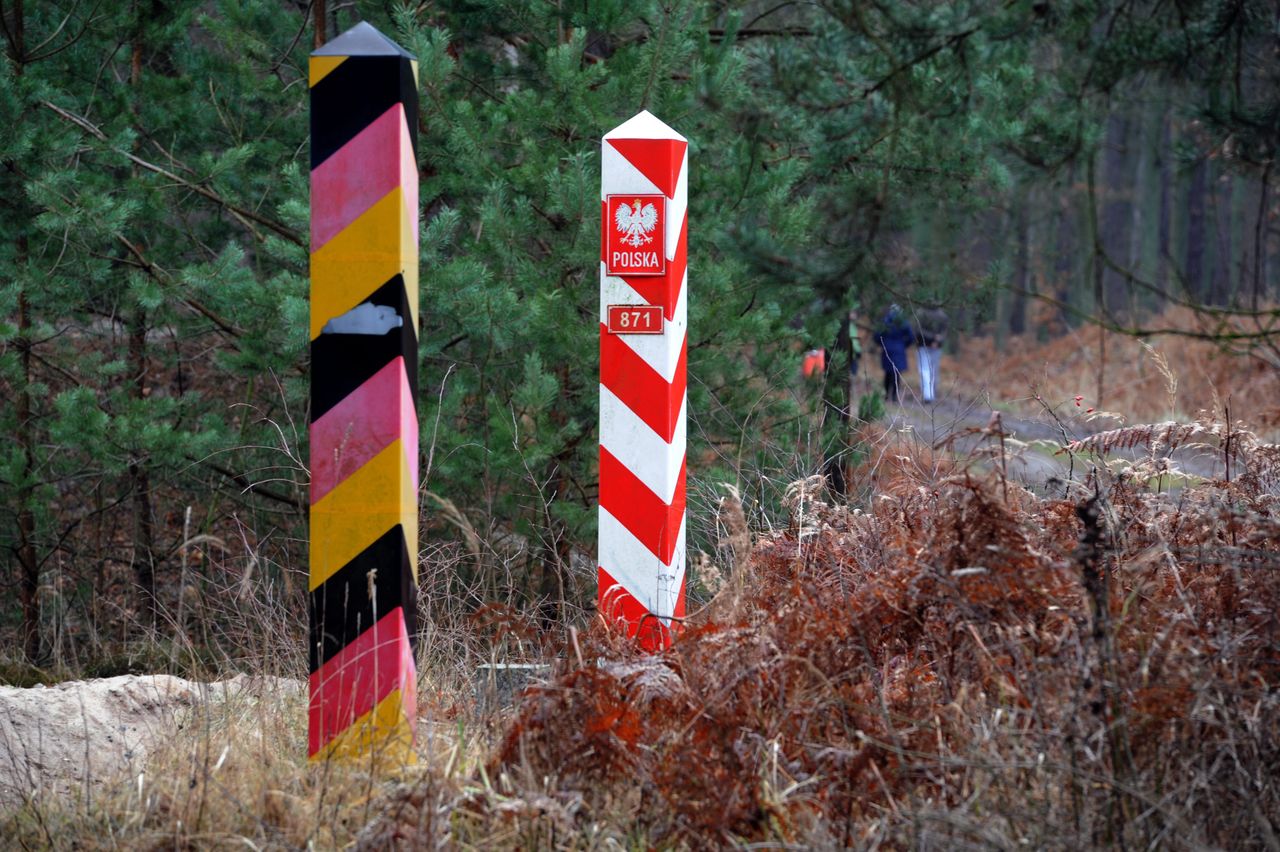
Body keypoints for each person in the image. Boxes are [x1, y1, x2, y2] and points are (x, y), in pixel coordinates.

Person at [875, 304, 913, 403]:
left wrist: (882, 344)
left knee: (888, 372)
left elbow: (877, 335)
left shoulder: (885, 321)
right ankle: (894, 396)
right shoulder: (903, 322)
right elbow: (911, 337)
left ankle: (887, 395)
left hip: (887, 349)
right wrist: (904, 344)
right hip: (899, 349)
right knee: (897, 373)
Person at [915, 305, 948, 404]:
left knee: (925, 370)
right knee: (933, 370)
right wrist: (937, 340)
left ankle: (928, 395)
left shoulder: (921, 314)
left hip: (923, 345)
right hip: (936, 346)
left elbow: (918, 330)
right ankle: (930, 394)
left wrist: (932, 339)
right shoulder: (943, 316)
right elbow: (945, 333)